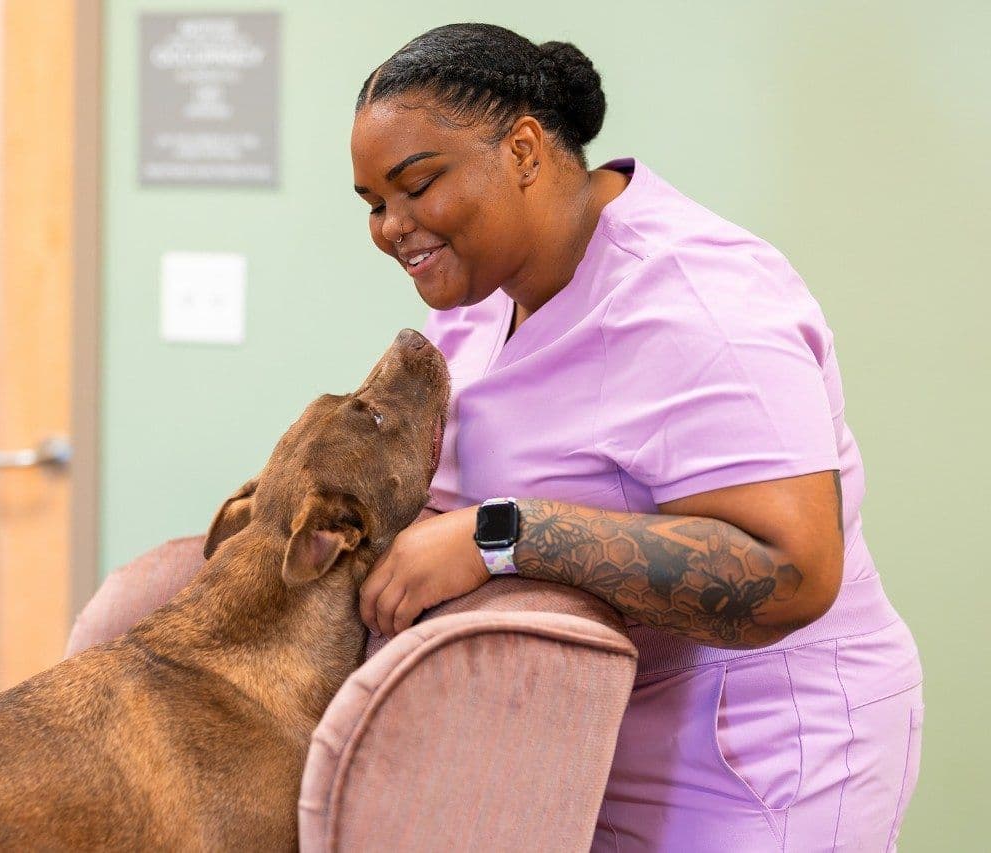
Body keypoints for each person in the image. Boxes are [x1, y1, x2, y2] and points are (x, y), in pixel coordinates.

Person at [347, 23, 923, 851]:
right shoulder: (478, 302)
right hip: (585, 740)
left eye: (417, 185)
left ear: (522, 149)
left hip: (764, 751)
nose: (392, 226)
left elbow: (792, 569)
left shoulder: (700, 301)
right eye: (373, 204)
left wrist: (502, 535)